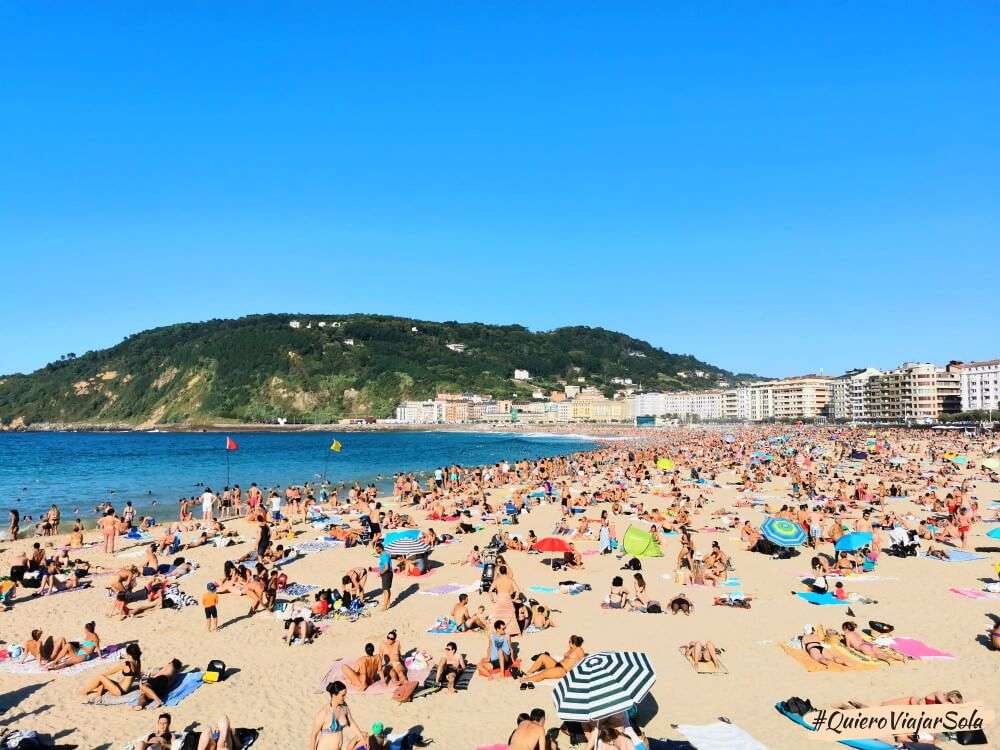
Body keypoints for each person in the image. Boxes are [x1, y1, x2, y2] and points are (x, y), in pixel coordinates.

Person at [308, 680, 366, 750]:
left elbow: (350, 722)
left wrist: (361, 737)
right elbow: (313, 735)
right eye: (342, 695)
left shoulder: (344, 707)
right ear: (334, 695)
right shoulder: (324, 713)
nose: (345, 697)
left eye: (345, 694)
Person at [520, 635, 584, 687]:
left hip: (562, 670)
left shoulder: (579, 650)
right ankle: (528, 673)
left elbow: (583, 661)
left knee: (543, 674)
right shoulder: (571, 649)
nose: (568, 642)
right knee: (543, 656)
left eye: (569, 641)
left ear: (573, 643)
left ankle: (527, 679)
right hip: (557, 664)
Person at [376, 542, 392, 611]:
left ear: (381, 549)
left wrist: (380, 573)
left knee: (385, 590)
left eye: (377, 549)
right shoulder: (384, 554)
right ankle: (388, 603)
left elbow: (386, 567)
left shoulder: (384, 555)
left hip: (386, 573)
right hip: (387, 573)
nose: (376, 551)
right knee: (387, 589)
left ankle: (385, 606)